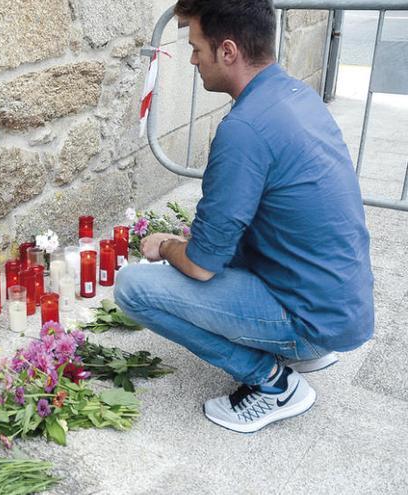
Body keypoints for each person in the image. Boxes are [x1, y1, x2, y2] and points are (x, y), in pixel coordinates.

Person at [115, 0, 374, 433]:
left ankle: (274, 383)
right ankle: (303, 351)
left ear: (228, 51)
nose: (193, 60)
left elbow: (200, 267)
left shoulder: (244, 129)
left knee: (133, 288)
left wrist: (166, 245)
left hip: (312, 318)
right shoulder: (293, 94)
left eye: (197, 48)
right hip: (341, 305)